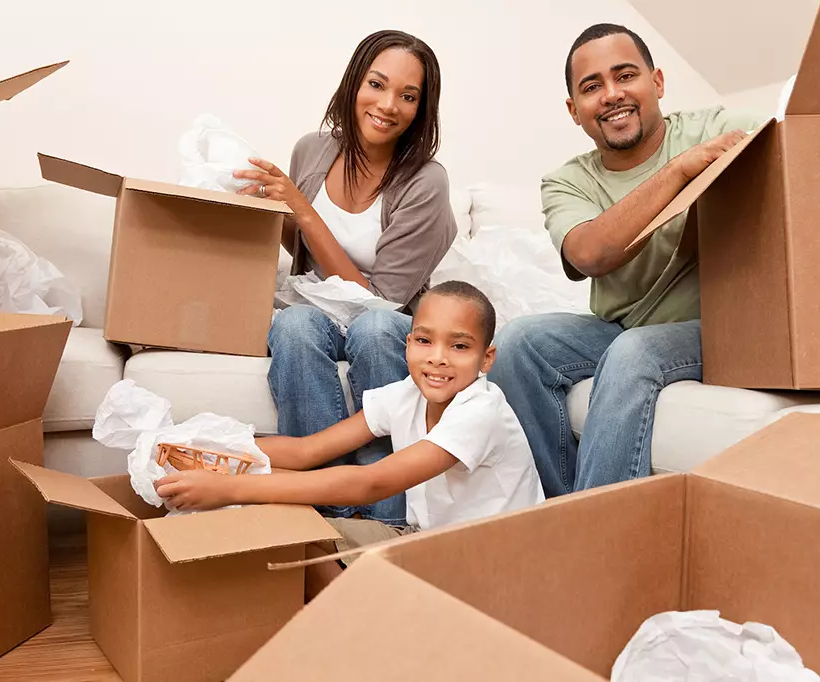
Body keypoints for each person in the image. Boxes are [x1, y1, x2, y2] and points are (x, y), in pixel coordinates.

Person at [488, 24, 768, 497]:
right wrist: (678, 171)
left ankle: (592, 538)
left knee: (633, 353)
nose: (612, 95)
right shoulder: (566, 182)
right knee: (519, 343)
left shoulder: (715, 128)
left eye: (625, 76)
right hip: (621, 324)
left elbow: (805, 150)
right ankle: (561, 510)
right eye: (592, 87)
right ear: (574, 110)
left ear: (656, 83)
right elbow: (589, 253)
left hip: (712, 327)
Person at [155, 281, 545, 595]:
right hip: (426, 540)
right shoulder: (407, 393)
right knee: (291, 531)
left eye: (459, 346)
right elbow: (306, 450)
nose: (438, 358)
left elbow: (369, 483)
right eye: (424, 341)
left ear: (486, 359)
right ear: (408, 344)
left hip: (490, 568)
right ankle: (356, 624)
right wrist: (211, 448)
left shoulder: (481, 411)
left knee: (274, 516)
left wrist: (230, 489)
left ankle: (362, 632)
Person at [232, 30, 458, 526]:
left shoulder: (426, 181)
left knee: (374, 333)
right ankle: (324, 512)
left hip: (386, 317)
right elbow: (298, 251)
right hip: (314, 308)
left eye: (408, 96)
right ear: (354, 83)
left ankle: (388, 516)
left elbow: (383, 301)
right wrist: (264, 213)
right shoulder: (312, 150)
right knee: (292, 327)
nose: (388, 104)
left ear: (421, 110)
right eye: (376, 84)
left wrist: (304, 213)